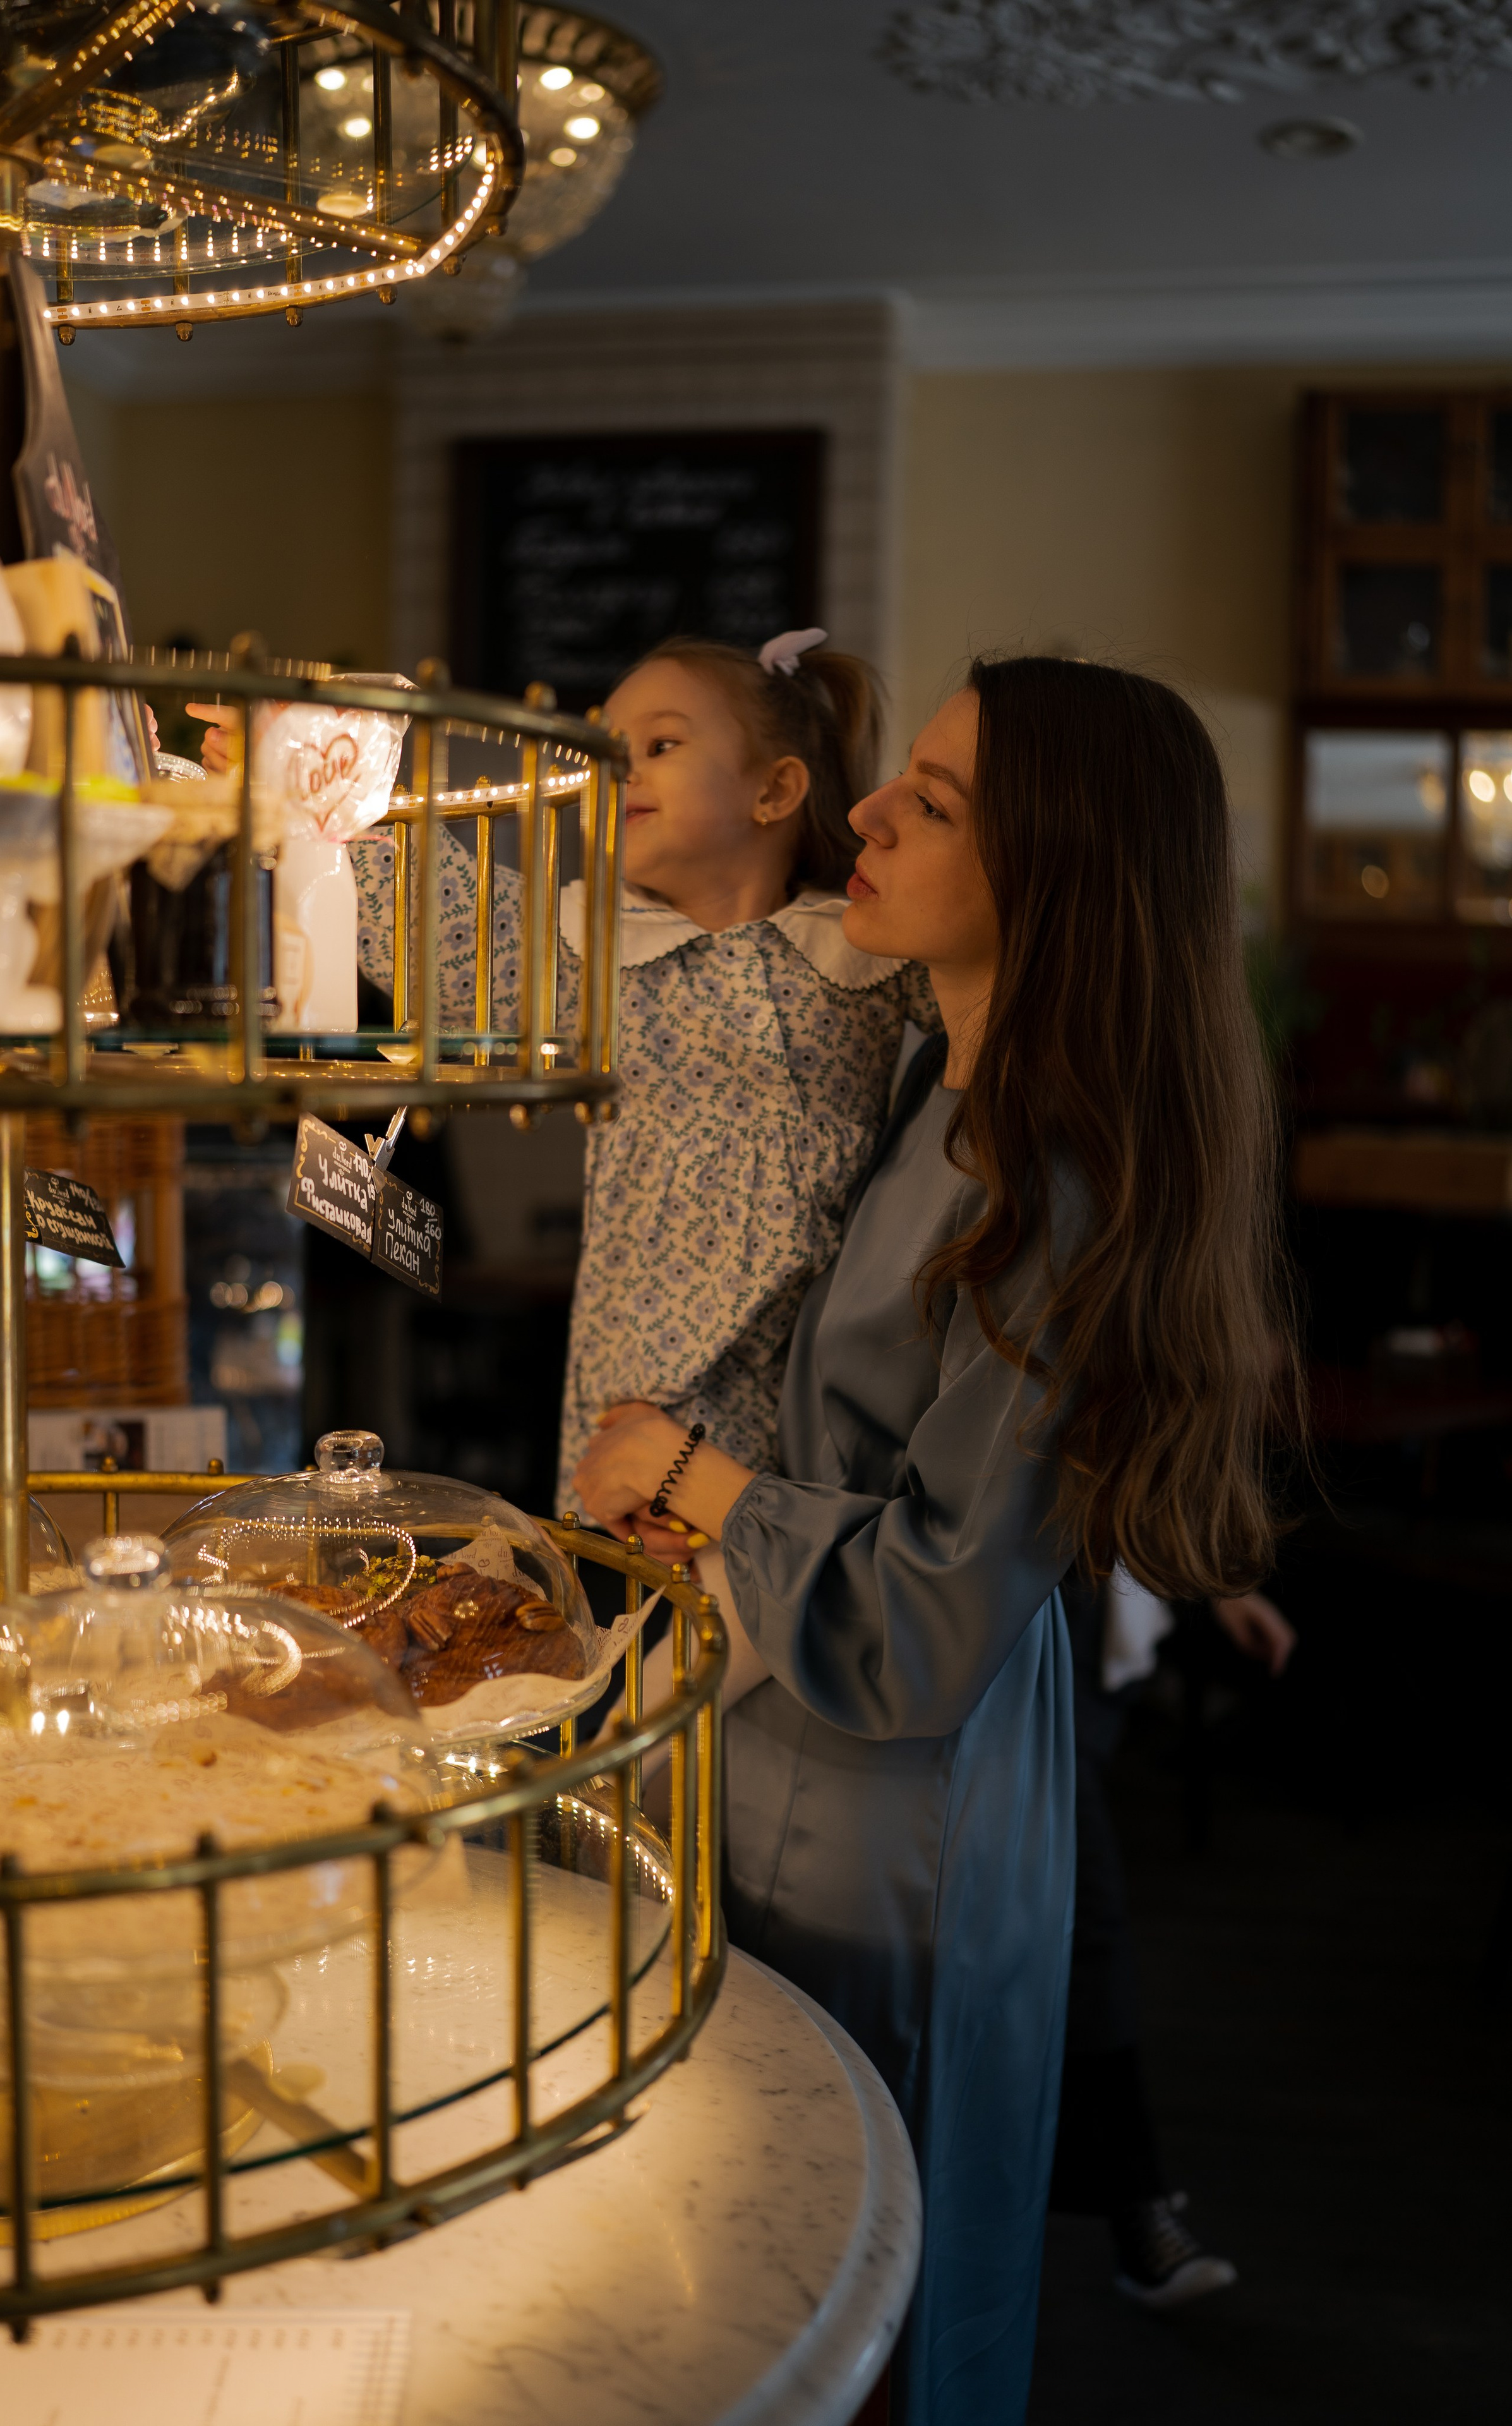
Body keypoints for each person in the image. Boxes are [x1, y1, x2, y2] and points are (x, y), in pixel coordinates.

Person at [572, 656, 1299, 2426]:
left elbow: (928, 1620)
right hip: (794, 1743)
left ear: (1058, 875)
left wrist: (693, 1478)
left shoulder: (1057, 1183)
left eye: (938, 799)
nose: (866, 810)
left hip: (905, 1799)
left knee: (856, 2235)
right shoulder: (934, 1093)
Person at [193, 635, 940, 1523]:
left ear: (775, 790)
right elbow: (445, 912)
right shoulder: (592, 954)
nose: (620, 770)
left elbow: (1006, 1005)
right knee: (644, 1625)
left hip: (820, 1385)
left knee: (786, 1608)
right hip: (638, 1387)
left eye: (661, 746)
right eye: (606, 752)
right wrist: (299, 777)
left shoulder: (861, 945)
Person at [1052, 1572, 1297, 2308]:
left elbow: (1126, 1462)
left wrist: (1216, 1585)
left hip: (1084, 1630)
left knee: (1079, 1927)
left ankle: (1133, 2207)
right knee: (1085, 1923)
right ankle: (1136, 2208)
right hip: (1003, 1612)